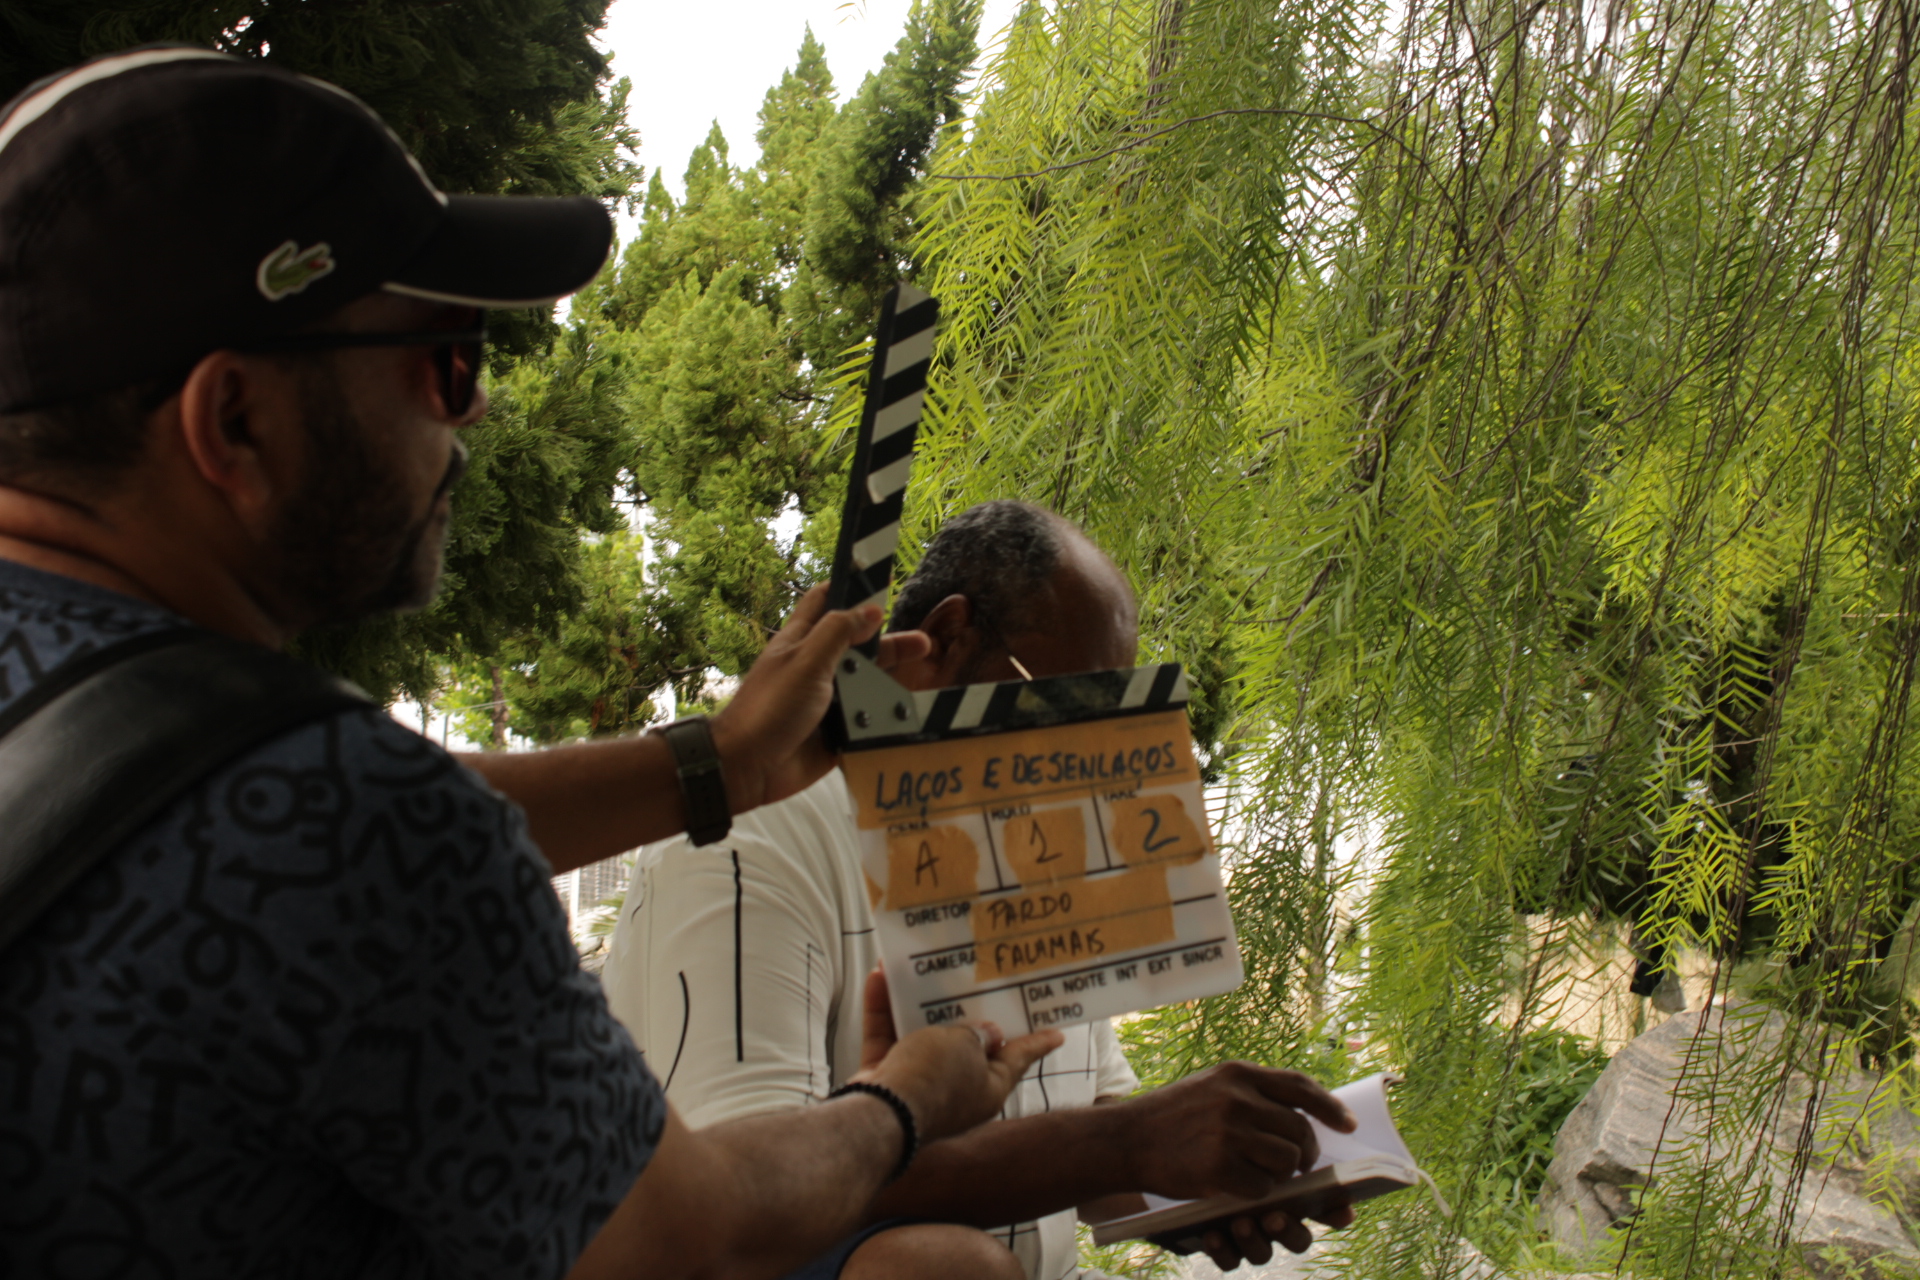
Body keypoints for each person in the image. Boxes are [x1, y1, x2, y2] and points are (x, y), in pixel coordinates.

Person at [0, 49, 1063, 1279]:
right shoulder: (352, 823)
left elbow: (222, 822)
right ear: (234, 419)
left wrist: (722, 762)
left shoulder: (188, 766)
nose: (475, 411)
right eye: (445, 358)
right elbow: (688, 1237)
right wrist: (905, 1097)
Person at [602, 500, 1358, 1280]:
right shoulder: (747, 843)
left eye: (1109, 714)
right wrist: (1129, 1142)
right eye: (1068, 699)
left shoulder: (1043, 849)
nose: (1089, 748)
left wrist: (1204, 1185)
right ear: (949, 638)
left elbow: (1087, 1144)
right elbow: (748, 1199)